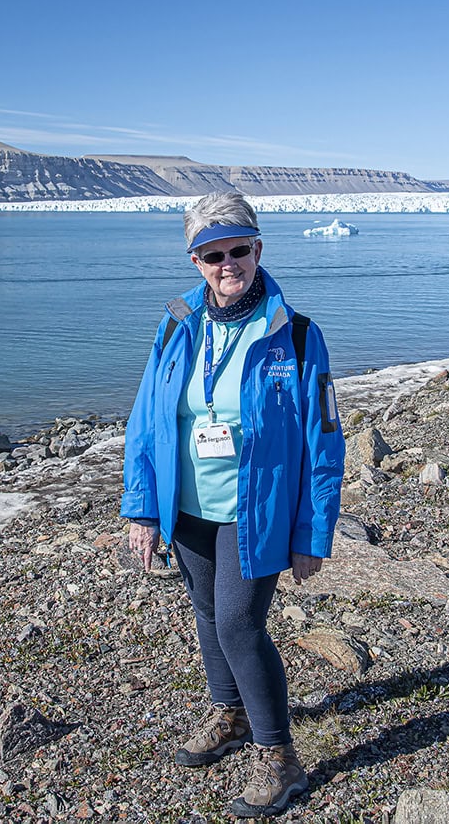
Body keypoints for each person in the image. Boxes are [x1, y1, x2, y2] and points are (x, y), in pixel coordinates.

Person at [121, 192, 345, 818]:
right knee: (205, 612)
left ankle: (281, 758)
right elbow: (146, 421)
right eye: (212, 253)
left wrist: (313, 531)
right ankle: (230, 714)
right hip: (187, 507)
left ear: (258, 249)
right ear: (195, 260)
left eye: (238, 250)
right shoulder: (176, 324)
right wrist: (141, 509)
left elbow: (323, 440)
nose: (228, 264)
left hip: (258, 513)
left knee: (240, 626)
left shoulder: (295, 337)